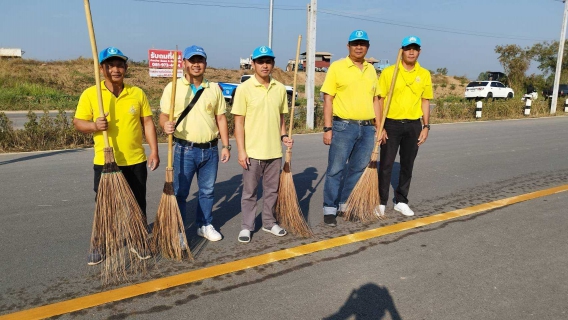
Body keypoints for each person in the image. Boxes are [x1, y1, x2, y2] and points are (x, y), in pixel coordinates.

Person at [74, 47, 160, 265]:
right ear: (102, 68)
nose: (116, 69)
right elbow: (78, 122)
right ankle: (100, 243)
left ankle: (137, 239)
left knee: (138, 203)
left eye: (120, 65)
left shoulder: (137, 93)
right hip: (106, 162)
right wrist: (94, 125)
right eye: (110, 65)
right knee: (106, 206)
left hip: (135, 160)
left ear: (126, 68)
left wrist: (154, 151)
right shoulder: (91, 94)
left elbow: (147, 122)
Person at [160, 45, 230, 242]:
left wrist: (225, 145)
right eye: (192, 61)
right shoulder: (173, 87)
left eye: (200, 60)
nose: (196, 64)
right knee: (181, 193)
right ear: (184, 63)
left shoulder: (213, 88)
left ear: (205, 64)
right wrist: (165, 125)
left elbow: (221, 118)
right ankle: (179, 230)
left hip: (210, 150)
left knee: (207, 191)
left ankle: (204, 224)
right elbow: (164, 115)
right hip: (184, 149)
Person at [231, 46, 294, 243]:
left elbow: (281, 118)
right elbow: (238, 122)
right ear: (253, 64)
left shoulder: (280, 89)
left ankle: (269, 222)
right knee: (250, 193)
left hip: (274, 152)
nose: (265, 65)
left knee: (272, 191)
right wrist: (241, 151)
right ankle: (247, 226)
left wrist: (284, 136)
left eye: (268, 61)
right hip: (252, 152)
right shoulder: (244, 89)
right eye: (260, 61)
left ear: (273, 64)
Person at [320, 30, 381, 227]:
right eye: (355, 43)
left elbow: (376, 100)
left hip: (367, 128)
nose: (359, 47)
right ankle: (330, 208)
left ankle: (346, 204)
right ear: (348, 46)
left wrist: (380, 127)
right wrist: (327, 128)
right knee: (336, 169)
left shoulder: (371, 70)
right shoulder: (337, 67)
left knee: (358, 168)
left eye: (363, 43)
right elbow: (328, 99)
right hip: (343, 125)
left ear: (367, 47)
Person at [377, 36, 433, 217]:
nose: (411, 52)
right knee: (386, 164)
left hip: (413, 125)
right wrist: (380, 127)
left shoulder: (424, 74)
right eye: (408, 48)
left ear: (419, 51)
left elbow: (425, 101)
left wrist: (426, 126)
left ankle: (401, 201)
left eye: (415, 48)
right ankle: (381, 202)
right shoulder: (389, 72)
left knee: (407, 164)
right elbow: (379, 99)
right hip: (391, 124)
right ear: (401, 50)